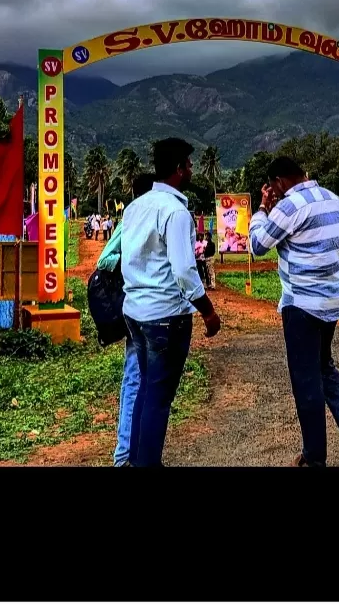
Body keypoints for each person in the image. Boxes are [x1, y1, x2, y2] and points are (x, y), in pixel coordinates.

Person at [249, 156, 339, 468]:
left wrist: (262, 208)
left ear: (276, 182)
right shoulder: (335, 201)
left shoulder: (288, 207)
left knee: (306, 381)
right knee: (323, 366)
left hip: (301, 305)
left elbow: (258, 245)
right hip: (330, 303)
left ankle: (314, 457)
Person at [120, 137, 222, 467]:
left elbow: (129, 259)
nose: (191, 169)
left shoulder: (135, 207)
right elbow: (183, 269)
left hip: (136, 312)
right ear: (178, 170)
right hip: (165, 316)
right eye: (189, 165)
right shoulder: (176, 212)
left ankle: (138, 460)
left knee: (146, 391)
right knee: (159, 399)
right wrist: (208, 311)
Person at [96, 173, 156, 467]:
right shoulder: (137, 218)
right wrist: (130, 263)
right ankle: (127, 454)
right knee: (140, 380)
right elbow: (105, 260)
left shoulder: (134, 218)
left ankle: (131, 453)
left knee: (139, 380)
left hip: (138, 309)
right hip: (143, 309)